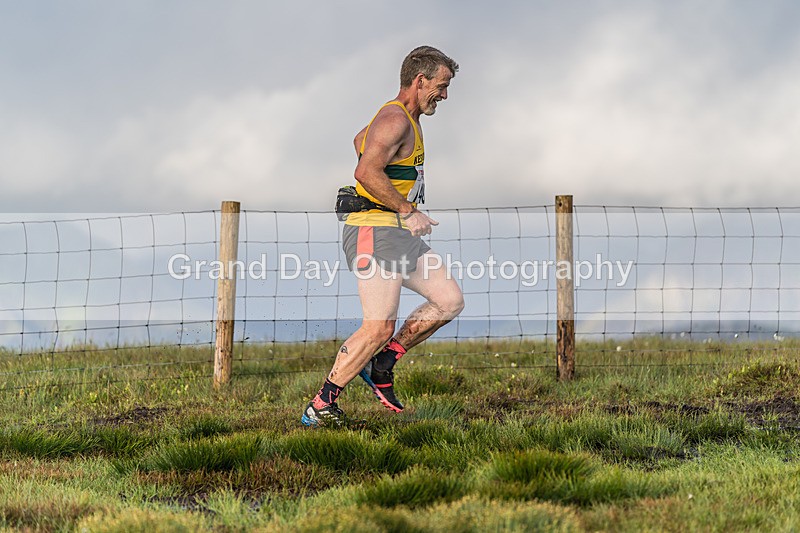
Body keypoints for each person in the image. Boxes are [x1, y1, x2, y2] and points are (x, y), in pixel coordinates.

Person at [301, 46, 464, 427]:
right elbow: (365, 170)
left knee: (449, 300)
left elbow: (361, 140)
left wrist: (392, 193)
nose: (444, 95)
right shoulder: (396, 119)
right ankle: (321, 405)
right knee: (377, 325)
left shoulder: (402, 117)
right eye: (441, 86)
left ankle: (382, 363)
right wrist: (406, 208)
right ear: (419, 80)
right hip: (374, 232)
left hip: (394, 232)